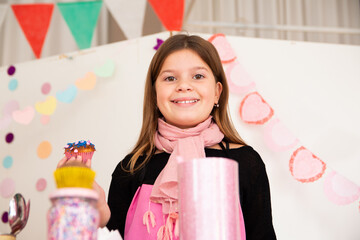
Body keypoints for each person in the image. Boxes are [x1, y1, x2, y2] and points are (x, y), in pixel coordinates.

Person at [105, 34, 277, 240]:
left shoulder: (246, 163)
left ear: (217, 92)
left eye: (198, 76)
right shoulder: (131, 168)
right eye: (170, 78)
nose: (183, 86)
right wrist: (94, 208)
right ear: (154, 94)